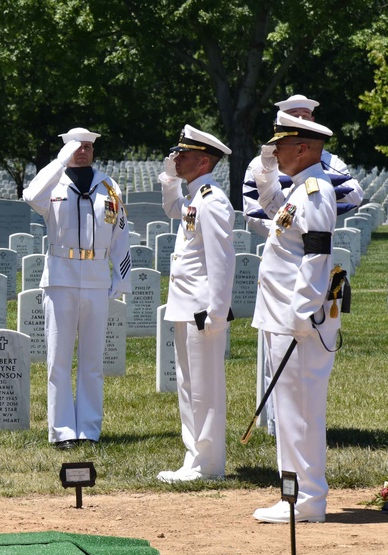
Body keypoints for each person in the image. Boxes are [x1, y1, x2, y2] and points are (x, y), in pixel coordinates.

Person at [250, 111, 341, 523]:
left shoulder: (316, 191)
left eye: (280, 146)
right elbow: (274, 213)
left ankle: (309, 501)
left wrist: (302, 314)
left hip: (298, 320)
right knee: (288, 411)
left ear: (302, 148)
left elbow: (317, 254)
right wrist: (268, 170)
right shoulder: (298, 189)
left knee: (301, 411)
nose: (274, 151)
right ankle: (294, 495)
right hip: (283, 315)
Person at [22, 128, 131, 449]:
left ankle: (89, 429)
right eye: (75, 146)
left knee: (92, 359)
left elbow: (121, 233)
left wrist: (121, 276)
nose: (81, 151)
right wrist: (59, 162)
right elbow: (31, 196)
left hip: (96, 277)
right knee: (58, 358)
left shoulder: (108, 186)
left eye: (87, 147)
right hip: (60, 276)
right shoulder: (53, 182)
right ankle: (62, 431)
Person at [155, 126, 236, 483]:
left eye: (183, 155)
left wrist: (217, 310)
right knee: (188, 386)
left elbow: (221, 259)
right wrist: (169, 176)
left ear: (204, 161)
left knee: (205, 388)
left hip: (203, 308)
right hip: (185, 305)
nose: (177, 158)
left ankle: (209, 462)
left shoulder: (212, 199)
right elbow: (173, 209)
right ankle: (194, 458)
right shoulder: (194, 196)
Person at [242, 94, 364, 238]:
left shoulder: (331, 162)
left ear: (313, 120)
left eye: (305, 116)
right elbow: (255, 210)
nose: (300, 120)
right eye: (292, 116)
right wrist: (282, 232)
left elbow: (354, 195)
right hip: (273, 238)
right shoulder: (261, 164)